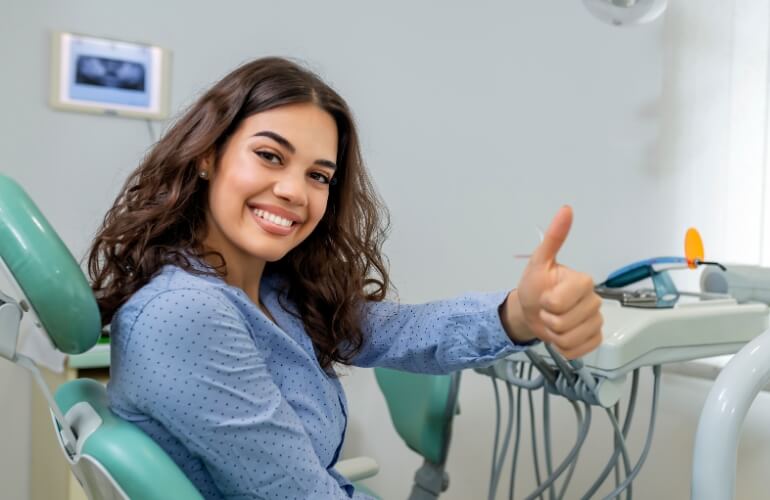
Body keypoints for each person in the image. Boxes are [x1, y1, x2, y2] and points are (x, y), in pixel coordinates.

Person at [88, 56, 603, 500]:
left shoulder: (274, 295)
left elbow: (404, 332)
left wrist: (518, 313)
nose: (294, 191)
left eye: (318, 176)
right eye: (270, 156)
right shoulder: (187, 313)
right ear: (207, 155)